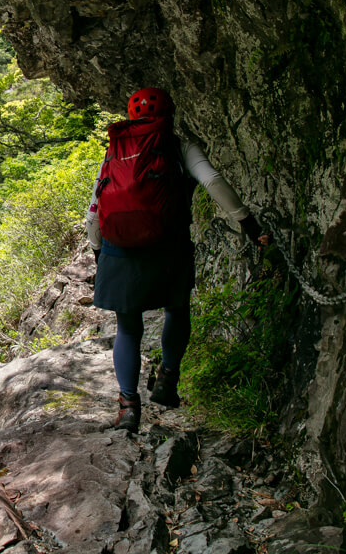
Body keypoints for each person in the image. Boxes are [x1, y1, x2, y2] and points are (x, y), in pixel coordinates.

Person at [84, 87, 267, 432]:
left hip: (119, 248)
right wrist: (248, 223)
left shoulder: (117, 148)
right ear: (170, 113)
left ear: (131, 115)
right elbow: (212, 180)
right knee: (177, 309)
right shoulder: (178, 145)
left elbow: (94, 208)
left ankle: (127, 407)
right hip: (169, 246)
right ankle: (168, 380)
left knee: (128, 327)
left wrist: (98, 250)